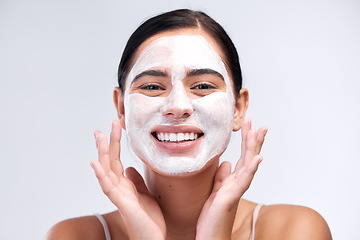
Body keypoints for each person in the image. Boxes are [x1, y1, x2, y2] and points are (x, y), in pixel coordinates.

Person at [46, 9, 332, 240]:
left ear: (238, 108)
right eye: (153, 87)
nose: (177, 107)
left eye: (203, 85)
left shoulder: (293, 231)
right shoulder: (74, 236)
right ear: (121, 107)